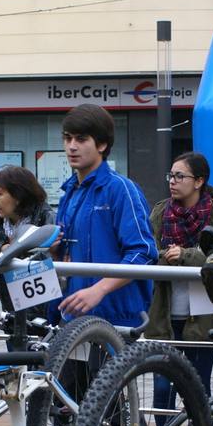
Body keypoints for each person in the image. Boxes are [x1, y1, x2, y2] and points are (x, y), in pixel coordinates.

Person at [147, 152, 213, 426]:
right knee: (161, 387)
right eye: (170, 175)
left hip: (204, 313)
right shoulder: (160, 212)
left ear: (199, 181)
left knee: (197, 386)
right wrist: (163, 256)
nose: (172, 182)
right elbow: (145, 250)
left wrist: (185, 255)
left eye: (179, 176)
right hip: (165, 316)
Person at [51, 103, 156, 326]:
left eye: (81, 139)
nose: (72, 146)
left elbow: (143, 252)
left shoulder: (120, 189)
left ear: (102, 144)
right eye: (67, 138)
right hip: (74, 317)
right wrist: (54, 250)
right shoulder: (68, 192)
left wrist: (99, 290)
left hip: (117, 318)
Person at [0, 165, 55, 316]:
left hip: (45, 305)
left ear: (18, 196)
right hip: (11, 303)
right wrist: (2, 249)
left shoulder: (45, 217)